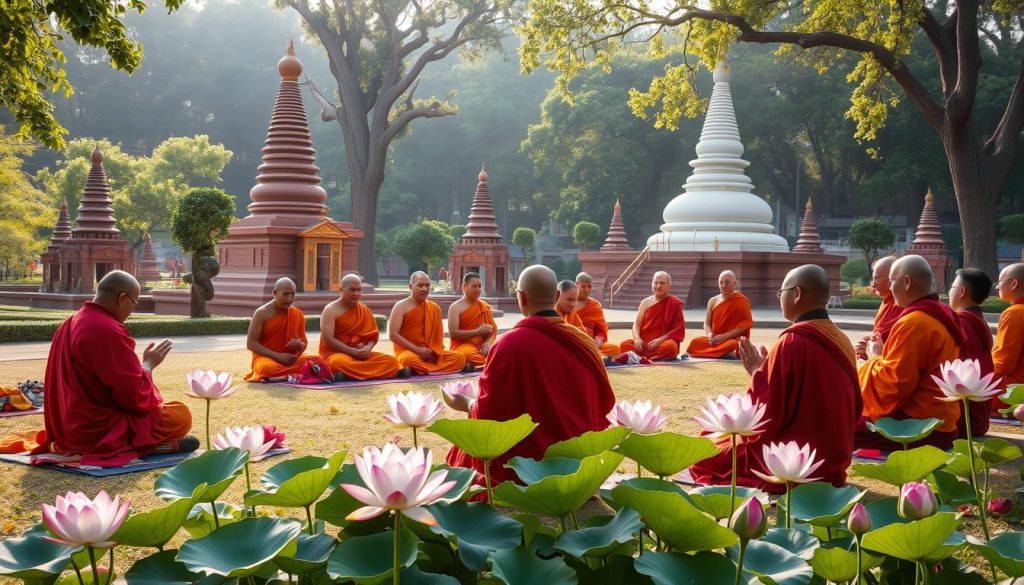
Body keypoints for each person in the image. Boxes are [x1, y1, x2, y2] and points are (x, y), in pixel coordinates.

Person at [690, 265, 860, 492]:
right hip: (833, 459)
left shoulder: (791, 341)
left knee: (703, 452)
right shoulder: (841, 339)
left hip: (797, 462)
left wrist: (757, 373)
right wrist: (765, 371)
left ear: (797, 294)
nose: (780, 298)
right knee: (715, 438)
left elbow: (768, 414)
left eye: (782, 292)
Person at [0, 271, 194, 467]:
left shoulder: (71, 321)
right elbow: (133, 397)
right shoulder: (107, 329)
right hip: (96, 433)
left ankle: (145, 445)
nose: (132, 310)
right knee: (180, 414)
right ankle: (144, 446)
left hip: (66, 431)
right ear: (122, 298)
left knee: (169, 410)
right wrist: (148, 364)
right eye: (134, 303)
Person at [446, 265, 616, 485]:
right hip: (578, 463)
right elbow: (603, 400)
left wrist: (468, 404)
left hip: (528, 467)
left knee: (462, 453)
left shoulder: (509, 344)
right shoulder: (584, 341)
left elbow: (489, 413)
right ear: (556, 296)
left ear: (521, 297)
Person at [856, 255, 962, 450]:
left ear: (906, 282)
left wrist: (873, 359)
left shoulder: (914, 322)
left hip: (918, 426)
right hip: (943, 421)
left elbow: (894, 386)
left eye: (891, 281)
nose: (889, 287)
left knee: (838, 427)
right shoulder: (944, 313)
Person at [319, 274, 405, 381]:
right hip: (336, 353)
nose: (356, 294)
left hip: (360, 354)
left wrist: (366, 349)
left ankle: (347, 375)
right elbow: (329, 340)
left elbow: (372, 336)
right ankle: (353, 372)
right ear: (341, 290)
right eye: (352, 290)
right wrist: (352, 352)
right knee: (338, 363)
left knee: (390, 361)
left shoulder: (364, 310)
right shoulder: (330, 310)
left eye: (359, 290)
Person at [389, 272, 467, 375]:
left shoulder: (434, 308)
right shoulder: (400, 306)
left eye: (427, 285)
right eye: (420, 285)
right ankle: (431, 369)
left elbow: (437, 338)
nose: (424, 289)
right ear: (410, 287)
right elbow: (393, 335)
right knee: (408, 360)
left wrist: (434, 351)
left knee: (460, 358)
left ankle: (419, 370)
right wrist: (417, 350)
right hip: (408, 351)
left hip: (430, 354)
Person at [948, 268, 995, 437]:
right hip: (978, 414)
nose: (949, 292)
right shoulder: (977, 320)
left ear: (961, 292)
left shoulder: (962, 324)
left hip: (964, 419)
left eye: (952, 288)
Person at [244, 278, 318, 382]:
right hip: (267, 359)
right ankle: (292, 375)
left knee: (317, 361)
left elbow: (304, 342)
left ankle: (284, 376)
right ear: (274, 293)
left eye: (293, 294)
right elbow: (251, 344)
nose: (290, 298)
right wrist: (278, 356)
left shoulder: (297, 314)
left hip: (290, 360)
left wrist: (299, 345)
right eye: (286, 294)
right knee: (266, 369)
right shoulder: (261, 313)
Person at [618, 271, 685, 360]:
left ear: (669, 285)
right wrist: (637, 338)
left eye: (662, 283)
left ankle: (638, 358)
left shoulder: (675, 303)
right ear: (652, 284)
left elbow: (678, 328)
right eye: (655, 283)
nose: (658, 286)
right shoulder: (645, 302)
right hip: (644, 344)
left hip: (663, 343)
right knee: (625, 345)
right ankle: (648, 357)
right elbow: (636, 325)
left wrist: (661, 339)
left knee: (670, 348)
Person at [686, 270, 753, 358]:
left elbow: (744, 325)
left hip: (731, 339)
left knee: (734, 344)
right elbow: (707, 323)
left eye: (727, 282)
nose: (724, 285)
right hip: (715, 340)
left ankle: (716, 353)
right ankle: (722, 353)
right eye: (721, 282)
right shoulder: (712, 301)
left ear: (734, 283)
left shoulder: (742, 300)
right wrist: (710, 335)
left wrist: (725, 336)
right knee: (695, 342)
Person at [448, 272, 498, 368]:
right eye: (474, 286)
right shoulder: (455, 307)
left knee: (502, 348)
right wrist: (477, 331)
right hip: (464, 346)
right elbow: (453, 334)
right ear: (464, 286)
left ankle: (479, 364)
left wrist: (489, 342)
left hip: (483, 346)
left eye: (479, 286)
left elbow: (493, 331)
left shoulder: (483, 306)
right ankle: (490, 363)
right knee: (465, 355)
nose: (478, 290)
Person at [993, 263, 1024, 415]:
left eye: (1000, 282)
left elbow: (1003, 363)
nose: (997, 287)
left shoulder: (1014, 313)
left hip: (1014, 391)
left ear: (1013, 283)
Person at [856, 256, 900, 360]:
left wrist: (867, 345)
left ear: (892, 278)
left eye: (876, 278)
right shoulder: (888, 301)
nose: (873, 283)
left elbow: (883, 339)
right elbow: (879, 335)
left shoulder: (898, 304)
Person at [575, 273, 620, 357]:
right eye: (583, 287)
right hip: (573, 340)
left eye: (589, 286)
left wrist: (599, 339)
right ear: (576, 285)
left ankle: (591, 353)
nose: (587, 290)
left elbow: (600, 329)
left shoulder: (595, 305)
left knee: (615, 348)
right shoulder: (569, 302)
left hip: (591, 343)